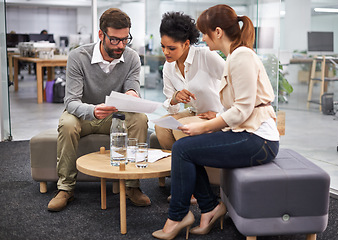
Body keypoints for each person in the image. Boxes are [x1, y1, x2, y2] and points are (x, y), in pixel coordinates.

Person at [152, 4, 280, 239]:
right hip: (247, 133)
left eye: (204, 33)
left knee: (183, 148)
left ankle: (179, 216)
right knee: (187, 148)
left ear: (218, 32)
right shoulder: (235, 56)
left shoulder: (241, 56)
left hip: (259, 140)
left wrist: (204, 125)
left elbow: (242, 110)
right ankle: (209, 209)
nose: (201, 38)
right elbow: (238, 109)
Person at [47, 8, 150, 212]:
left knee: (140, 119)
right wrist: (93, 111)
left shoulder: (131, 58)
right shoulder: (78, 56)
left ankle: (132, 186)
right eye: (114, 40)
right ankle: (66, 188)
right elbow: (71, 101)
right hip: (84, 115)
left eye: (125, 39)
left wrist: (131, 94)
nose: (121, 45)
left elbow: (133, 87)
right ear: (101, 35)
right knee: (67, 123)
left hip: (114, 117)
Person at [155, 11, 225, 150]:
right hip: (195, 112)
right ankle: (173, 168)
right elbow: (172, 108)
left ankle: (192, 168)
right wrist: (175, 98)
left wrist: (220, 115)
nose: (166, 52)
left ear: (186, 44)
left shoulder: (206, 56)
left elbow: (235, 85)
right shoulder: (168, 67)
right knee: (161, 125)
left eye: (171, 48)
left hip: (216, 115)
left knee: (182, 128)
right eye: (163, 46)